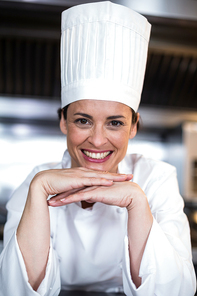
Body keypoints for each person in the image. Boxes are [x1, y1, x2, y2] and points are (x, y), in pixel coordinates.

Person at [0, 1, 196, 296]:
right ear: (63, 122)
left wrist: (136, 203)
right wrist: (40, 189)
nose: (98, 140)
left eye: (115, 123)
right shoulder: (37, 180)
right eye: (83, 120)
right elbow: (14, 290)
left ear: (134, 126)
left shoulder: (156, 178)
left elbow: (178, 291)